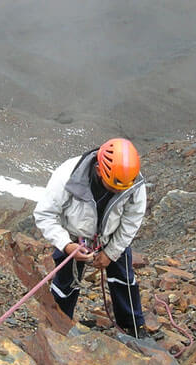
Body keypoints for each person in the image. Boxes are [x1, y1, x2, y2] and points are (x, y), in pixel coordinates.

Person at [33, 138, 147, 336]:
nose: (119, 192)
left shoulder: (133, 183)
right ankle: (59, 327)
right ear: (99, 170)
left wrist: (111, 253)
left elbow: (131, 220)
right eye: (113, 187)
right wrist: (66, 245)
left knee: (124, 279)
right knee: (65, 283)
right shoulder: (68, 175)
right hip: (73, 237)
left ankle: (133, 326)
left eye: (123, 188)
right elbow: (45, 214)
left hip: (111, 237)